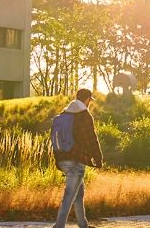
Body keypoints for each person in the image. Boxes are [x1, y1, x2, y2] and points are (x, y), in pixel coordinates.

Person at [53, 88, 103, 228]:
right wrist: (98, 158)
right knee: (69, 194)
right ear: (87, 99)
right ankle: (59, 226)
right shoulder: (84, 115)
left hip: (63, 158)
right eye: (90, 100)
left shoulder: (64, 114)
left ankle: (83, 224)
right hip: (76, 159)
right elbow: (91, 138)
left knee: (78, 193)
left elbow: (56, 138)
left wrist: (58, 160)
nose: (90, 103)